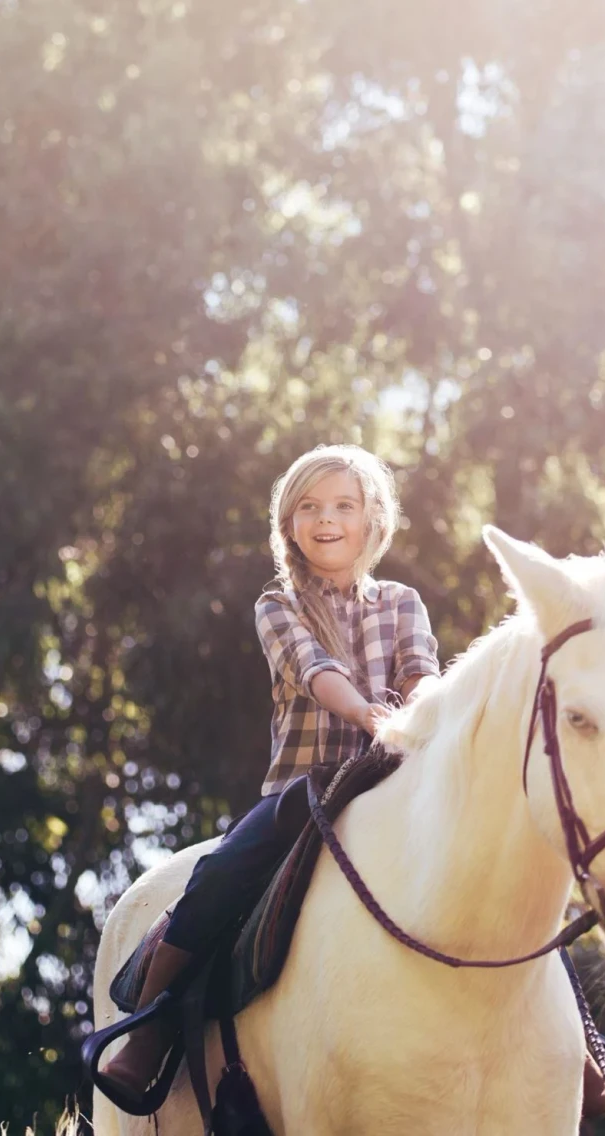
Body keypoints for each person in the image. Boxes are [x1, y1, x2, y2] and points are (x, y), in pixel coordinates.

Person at [98, 443, 440, 1101]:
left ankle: (573, 1039)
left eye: (343, 505)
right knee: (223, 875)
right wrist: (372, 717)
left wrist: (420, 713)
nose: (326, 519)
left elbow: (421, 672)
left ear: (373, 520)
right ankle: (151, 1027)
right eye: (309, 507)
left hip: (395, 779)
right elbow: (315, 672)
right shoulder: (278, 605)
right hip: (307, 788)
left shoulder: (403, 602)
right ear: (289, 524)